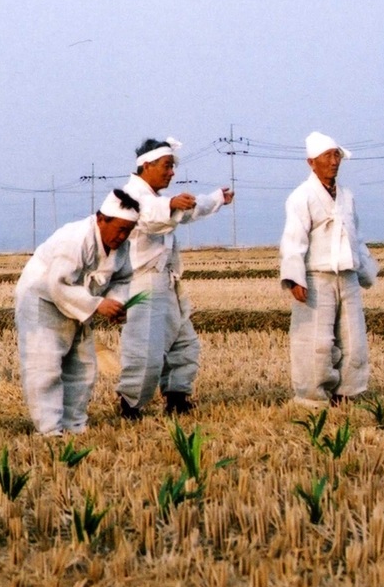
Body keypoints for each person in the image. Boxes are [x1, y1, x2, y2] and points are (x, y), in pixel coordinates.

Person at [116, 137, 233, 418]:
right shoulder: (129, 196)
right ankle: (130, 403)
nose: (172, 173)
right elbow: (150, 217)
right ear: (147, 165)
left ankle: (177, 397)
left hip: (166, 283)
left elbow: (186, 210)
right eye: (167, 166)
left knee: (184, 343)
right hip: (141, 283)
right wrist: (171, 205)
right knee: (144, 349)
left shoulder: (157, 199)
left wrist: (216, 198)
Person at [15, 190, 138, 436]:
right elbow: (57, 284)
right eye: (120, 229)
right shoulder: (75, 239)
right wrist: (96, 304)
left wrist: (115, 303)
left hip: (79, 304)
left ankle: (74, 425)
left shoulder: (121, 247)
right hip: (42, 299)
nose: (123, 236)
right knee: (45, 366)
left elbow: (123, 279)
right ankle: (50, 429)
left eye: (129, 231)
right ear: (101, 219)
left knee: (82, 367)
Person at [279, 132, 378, 407]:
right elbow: (293, 239)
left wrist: (365, 272)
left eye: (337, 155)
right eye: (328, 156)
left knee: (353, 338)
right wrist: (294, 278)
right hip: (316, 277)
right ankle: (312, 397)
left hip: (346, 277)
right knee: (316, 342)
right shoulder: (302, 196)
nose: (334, 161)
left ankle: (348, 392)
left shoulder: (347, 196)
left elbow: (356, 237)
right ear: (312, 162)